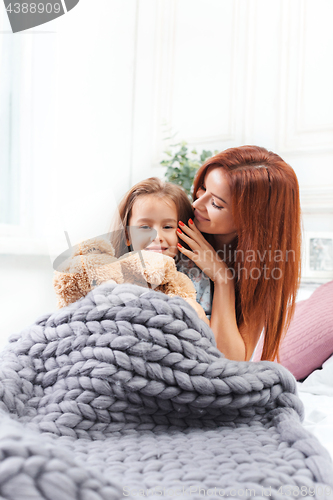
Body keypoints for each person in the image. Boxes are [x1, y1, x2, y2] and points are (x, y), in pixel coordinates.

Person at [176, 145, 302, 363]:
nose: (197, 203)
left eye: (215, 203)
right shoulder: (173, 228)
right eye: (202, 188)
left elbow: (231, 362)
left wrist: (223, 278)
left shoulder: (262, 270)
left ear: (253, 220)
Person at [109, 177, 210, 322]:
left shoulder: (196, 277)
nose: (157, 236)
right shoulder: (113, 275)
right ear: (127, 235)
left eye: (168, 227)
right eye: (145, 227)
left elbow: (208, 331)